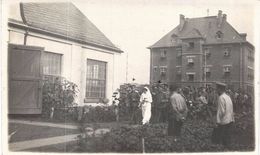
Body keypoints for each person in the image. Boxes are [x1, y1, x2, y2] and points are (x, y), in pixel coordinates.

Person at [215, 82, 235, 148]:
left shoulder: (221, 97)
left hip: (223, 121)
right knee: (227, 139)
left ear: (220, 89)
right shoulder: (228, 97)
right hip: (230, 120)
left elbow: (221, 111)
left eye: (217, 88)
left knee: (221, 140)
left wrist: (217, 122)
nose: (216, 90)